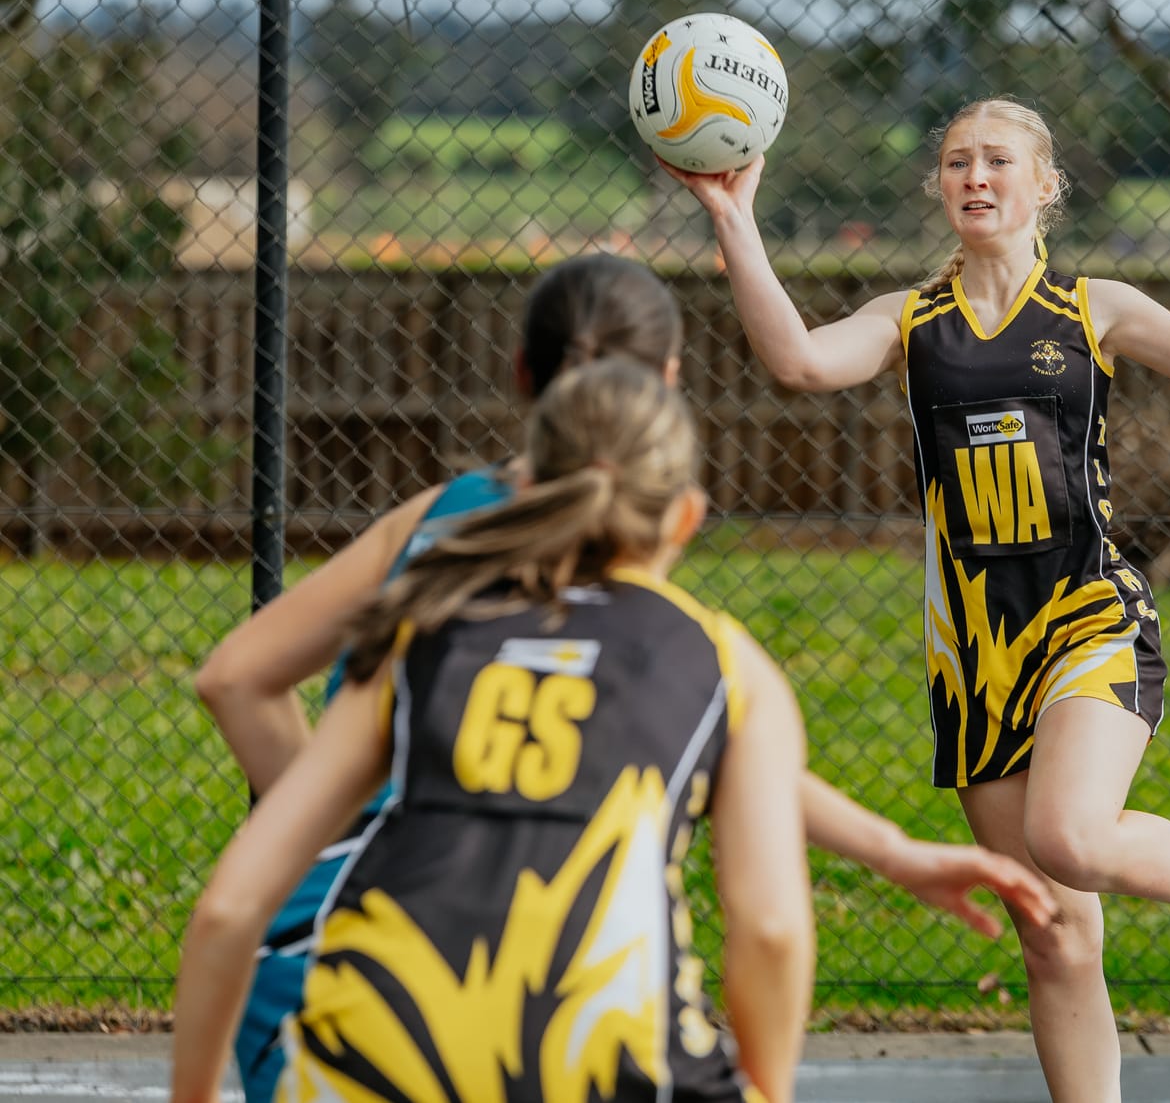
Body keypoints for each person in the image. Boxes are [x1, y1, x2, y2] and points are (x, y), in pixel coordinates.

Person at [663, 96, 1170, 1101]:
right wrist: (734, 218)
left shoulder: (1092, 309)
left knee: (1068, 835)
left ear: (1045, 185)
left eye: (997, 160)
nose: (975, 176)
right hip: (974, 653)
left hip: (1087, 614)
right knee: (1054, 928)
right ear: (939, 186)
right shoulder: (911, 320)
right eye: (957, 161)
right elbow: (799, 361)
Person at [193, 254, 1054, 1103]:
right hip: (541, 1018)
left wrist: (348, 826)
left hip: (346, 985)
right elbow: (765, 909)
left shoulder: (436, 573)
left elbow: (234, 686)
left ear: (522, 375)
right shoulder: (698, 648)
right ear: (679, 477)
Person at [173, 359, 813, 1102]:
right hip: (606, 1066)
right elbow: (770, 929)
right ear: (686, 517)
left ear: (526, 487)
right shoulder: (727, 663)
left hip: (373, 1060)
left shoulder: (424, 624)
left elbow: (228, 909)